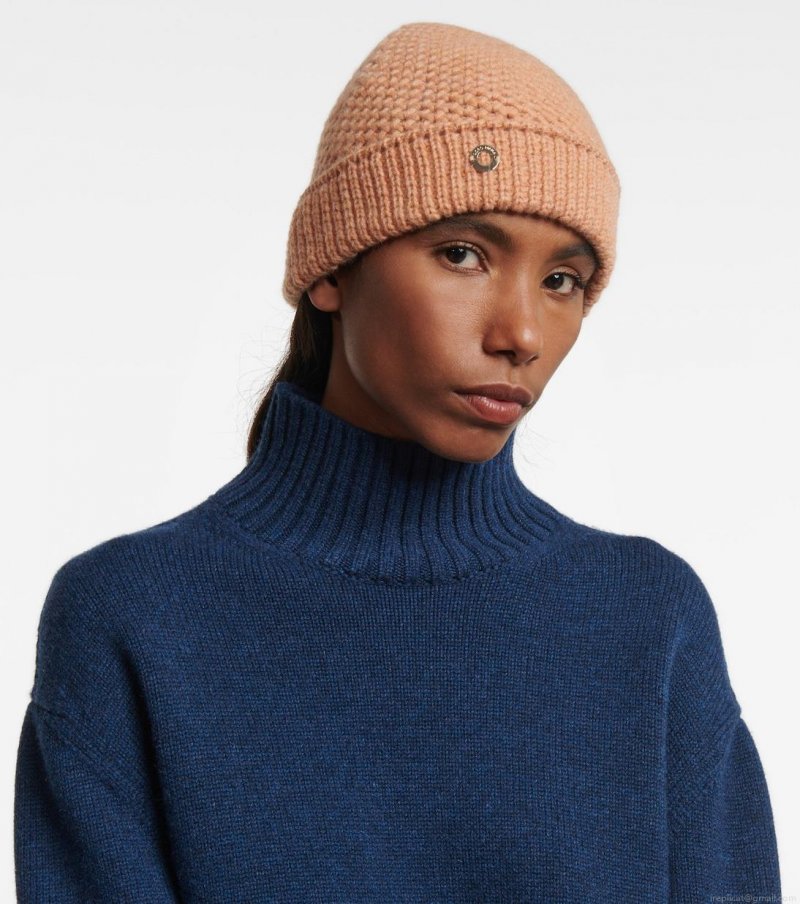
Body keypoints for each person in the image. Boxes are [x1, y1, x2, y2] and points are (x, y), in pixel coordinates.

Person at [14, 21, 781, 903]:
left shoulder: (647, 619)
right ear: (332, 268)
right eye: (462, 254)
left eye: (561, 281)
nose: (522, 333)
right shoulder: (132, 618)